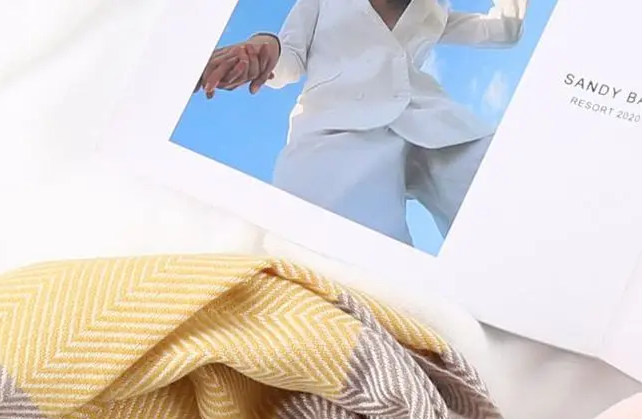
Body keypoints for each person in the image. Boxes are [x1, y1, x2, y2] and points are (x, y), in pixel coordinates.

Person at [197, 0, 528, 245]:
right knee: (343, 266)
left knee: (511, 216)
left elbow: (504, 30)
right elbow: (291, 54)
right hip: (334, 127)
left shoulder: (433, 10)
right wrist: (264, 47)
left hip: (434, 121)